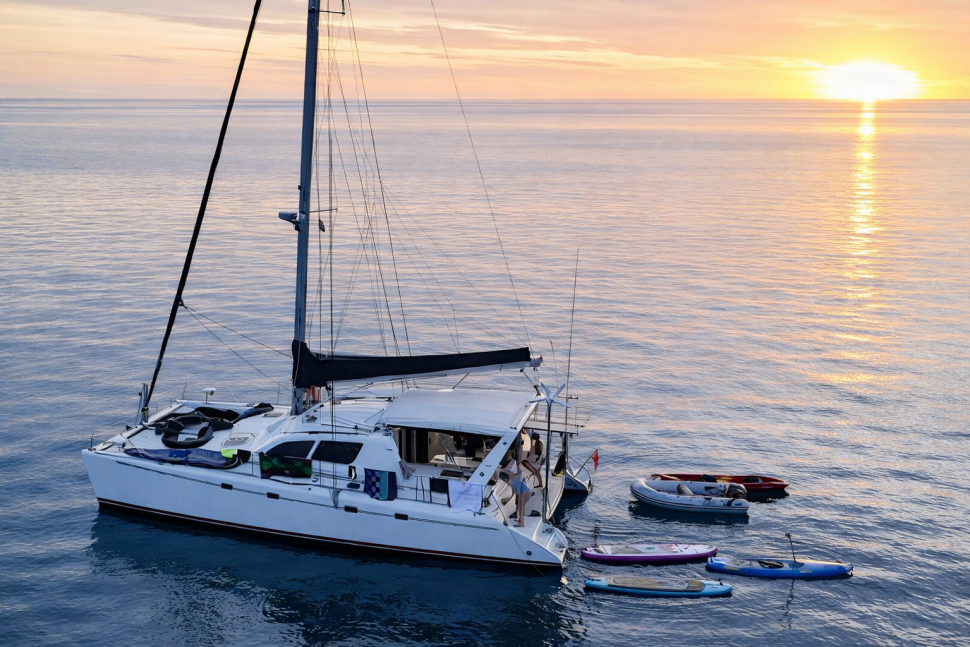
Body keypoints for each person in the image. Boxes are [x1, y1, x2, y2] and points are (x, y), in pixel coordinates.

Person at [506, 458, 530, 527]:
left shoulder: (517, 480)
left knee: (520, 505)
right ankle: (520, 519)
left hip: (524, 490)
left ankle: (521, 522)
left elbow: (514, 491)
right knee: (519, 505)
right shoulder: (518, 471)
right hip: (525, 490)